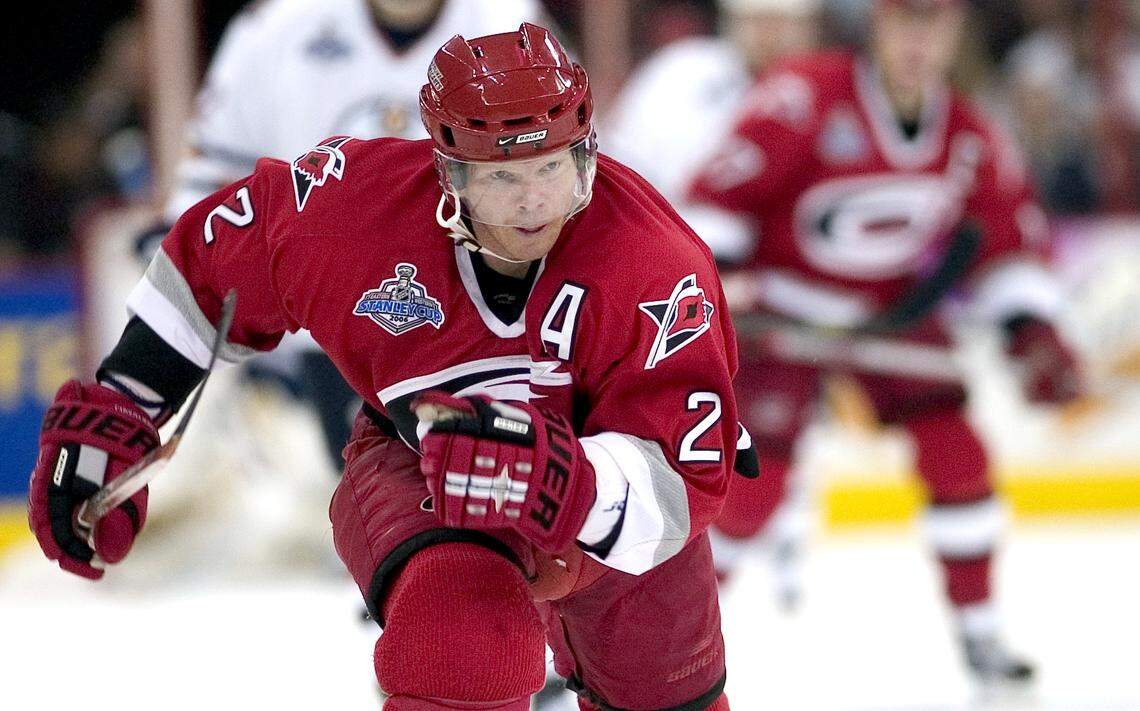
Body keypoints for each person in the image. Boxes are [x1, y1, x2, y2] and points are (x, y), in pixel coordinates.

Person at [29, 23, 743, 710]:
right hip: (424, 462)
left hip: (608, 492)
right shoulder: (354, 208)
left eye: (551, 167)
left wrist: (561, 480)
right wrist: (126, 399)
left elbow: (684, 483)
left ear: (584, 154)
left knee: (671, 695)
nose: (533, 200)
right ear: (450, 172)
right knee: (465, 647)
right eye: (503, 176)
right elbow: (210, 265)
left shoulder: (659, 264)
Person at [685, 0, 1083, 683]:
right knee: (749, 492)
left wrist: (1029, 325)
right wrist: (724, 274)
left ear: (956, 30)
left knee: (959, 457)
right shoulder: (804, 96)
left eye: (934, 23)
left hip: (889, 319)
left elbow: (1004, 238)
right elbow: (714, 199)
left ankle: (981, 634)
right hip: (785, 317)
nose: (919, 40)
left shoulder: (967, 132)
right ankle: (669, 645)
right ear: (877, 22)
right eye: (906, 19)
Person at [135, 0, 545, 472]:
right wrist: (185, 245)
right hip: (297, 361)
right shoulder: (278, 27)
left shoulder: (509, 25)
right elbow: (211, 176)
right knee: (295, 515)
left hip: (467, 348)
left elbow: (557, 188)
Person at [604, 0, 819, 263]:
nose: (769, 35)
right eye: (757, 21)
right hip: (660, 235)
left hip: (762, 265)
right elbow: (619, 159)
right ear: (732, 21)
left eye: (782, 22)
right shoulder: (682, 67)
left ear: (810, 28)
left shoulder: (825, 94)